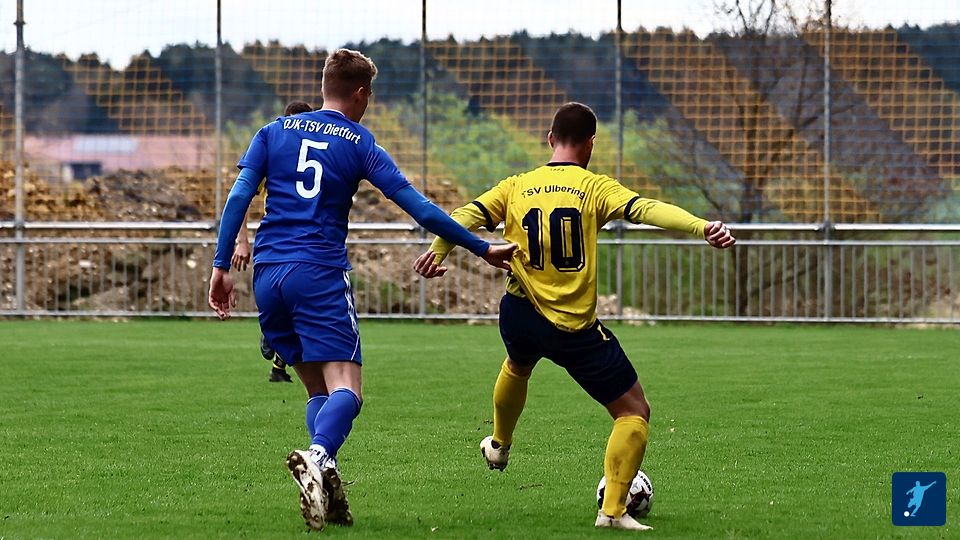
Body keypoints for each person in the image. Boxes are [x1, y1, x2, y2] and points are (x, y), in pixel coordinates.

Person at [208, 49, 516, 531]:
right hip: (319, 273)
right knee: (348, 391)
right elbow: (420, 208)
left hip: (268, 274)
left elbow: (238, 196)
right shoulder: (358, 141)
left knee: (318, 388)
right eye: (369, 94)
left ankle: (327, 479)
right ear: (359, 93)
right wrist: (482, 248)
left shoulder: (272, 132)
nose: (368, 102)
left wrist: (221, 265)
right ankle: (317, 457)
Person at [413, 102, 735, 532]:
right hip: (571, 327)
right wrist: (701, 226)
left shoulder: (516, 186)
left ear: (550, 139)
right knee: (633, 411)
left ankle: (500, 443)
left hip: (518, 311)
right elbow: (646, 208)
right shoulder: (594, 188)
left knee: (518, 365)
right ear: (590, 144)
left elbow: (464, 216)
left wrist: (438, 251)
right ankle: (613, 511)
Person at [232, 101, 314, 384]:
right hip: (277, 242)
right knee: (285, 306)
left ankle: (279, 363)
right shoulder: (272, 152)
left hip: (311, 243)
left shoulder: (319, 152)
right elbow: (240, 197)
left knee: (302, 310)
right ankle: (272, 331)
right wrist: (241, 241)